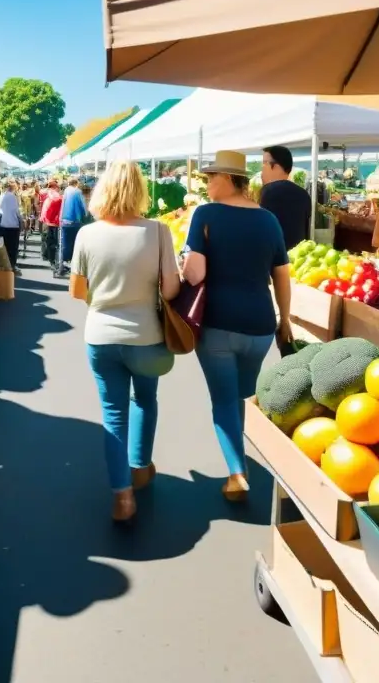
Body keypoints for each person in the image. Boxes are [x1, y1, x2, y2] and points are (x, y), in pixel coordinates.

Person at [69, 161, 180, 523]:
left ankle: (121, 495)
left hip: (100, 336)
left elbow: (76, 291)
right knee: (145, 400)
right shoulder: (158, 231)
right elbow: (170, 288)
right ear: (139, 191)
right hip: (147, 336)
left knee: (113, 415)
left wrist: (104, 301)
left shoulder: (87, 234)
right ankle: (140, 467)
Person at [182, 150, 292, 502]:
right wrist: (285, 318)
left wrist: (184, 262)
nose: (207, 184)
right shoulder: (269, 220)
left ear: (229, 179)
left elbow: (195, 273)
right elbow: (282, 276)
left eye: (211, 177)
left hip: (217, 323)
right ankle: (240, 454)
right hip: (260, 326)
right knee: (243, 395)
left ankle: (236, 472)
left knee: (223, 401)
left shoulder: (205, 215)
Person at [259, 145, 312, 249]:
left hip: (275, 259)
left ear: (276, 166)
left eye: (264, 163)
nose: (262, 169)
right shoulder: (303, 194)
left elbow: (263, 231)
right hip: (298, 258)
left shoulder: (269, 192)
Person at [58, 178, 87, 277]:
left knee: (65, 242)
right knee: (75, 242)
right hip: (76, 220)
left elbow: (62, 205)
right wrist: (85, 215)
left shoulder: (66, 191)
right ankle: (73, 264)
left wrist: (60, 218)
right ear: (76, 184)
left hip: (65, 221)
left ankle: (64, 262)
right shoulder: (78, 192)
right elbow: (83, 207)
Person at [0, 181, 23, 274]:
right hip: (12, 225)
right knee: (13, 248)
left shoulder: (0, 197)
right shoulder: (12, 197)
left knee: (4, 247)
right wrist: (22, 221)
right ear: (12, 188)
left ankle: (5, 266)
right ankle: (12, 266)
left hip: (2, 225)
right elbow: (17, 211)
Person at [40, 180, 62, 266]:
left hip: (44, 219)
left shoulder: (43, 193)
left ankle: (45, 255)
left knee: (45, 238)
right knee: (52, 240)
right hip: (52, 221)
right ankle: (51, 259)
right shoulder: (55, 194)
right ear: (55, 187)